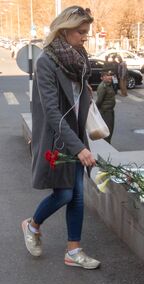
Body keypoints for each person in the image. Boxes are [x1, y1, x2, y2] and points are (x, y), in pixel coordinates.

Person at [23, 5, 100, 269]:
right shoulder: (46, 62)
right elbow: (52, 112)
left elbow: (76, 101)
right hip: (59, 140)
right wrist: (79, 148)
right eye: (81, 32)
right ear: (65, 30)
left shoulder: (78, 60)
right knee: (65, 194)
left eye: (86, 32)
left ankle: (73, 251)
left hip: (75, 136)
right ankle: (32, 226)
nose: (84, 37)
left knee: (77, 195)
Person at [96, 71, 116, 143]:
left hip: (110, 111)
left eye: (110, 75)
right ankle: (107, 145)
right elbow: (99, 101)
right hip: (105, 112)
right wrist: (96, 110)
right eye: (106, 75)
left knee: (110, 129)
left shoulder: (109, 85)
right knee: (107, 131)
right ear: (102, 78)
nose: (109, 77)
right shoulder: (102, 87)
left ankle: (107, 143)